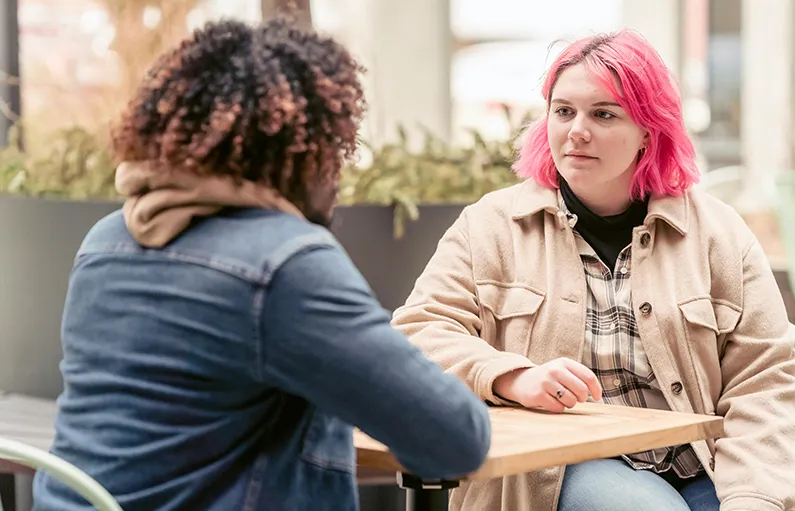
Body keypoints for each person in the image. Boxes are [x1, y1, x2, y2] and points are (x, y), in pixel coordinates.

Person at [32, 19, 491, 511]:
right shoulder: (284, 264)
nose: (338, 176)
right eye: (335, 150)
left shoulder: (106, 241)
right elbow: (456, 439)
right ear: (303, 152)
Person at [391, 30, 795, 511]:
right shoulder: (490, 226)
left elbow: (764, 381)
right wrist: (511, 377)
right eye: (564, 111)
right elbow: (418, 332)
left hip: (708, 464)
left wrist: (753, 498)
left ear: (649, 131)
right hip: (562, 467)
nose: (577, 131)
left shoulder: (718, 234)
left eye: (603, 114)